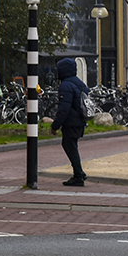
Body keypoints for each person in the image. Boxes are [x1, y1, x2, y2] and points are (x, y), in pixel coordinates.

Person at [49, 57, 88, 186]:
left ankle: (78, 174)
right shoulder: (80, 83)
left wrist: (55, 125)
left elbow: (64, 108)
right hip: (80, 120)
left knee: (70, 146)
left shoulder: (66, 85)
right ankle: (79, 173)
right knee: (72, 146)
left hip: (71, 122)